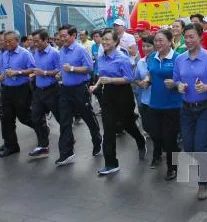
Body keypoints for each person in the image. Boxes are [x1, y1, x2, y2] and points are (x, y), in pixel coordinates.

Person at [90, 29, 146, 175]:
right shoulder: (101, 58)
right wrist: (95, 86)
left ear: (116, 42)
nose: (104, 42)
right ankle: (111, 163)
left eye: (108, 39)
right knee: (108, 128)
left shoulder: (122, 58)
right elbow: (102, 77)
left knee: (127, 124)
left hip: (123, 94)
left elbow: (129, 78)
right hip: (108, 94)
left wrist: (112, 80)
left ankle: (140, 141)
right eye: (103, 39)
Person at [173, 23, 207, 200]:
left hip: (206, 108)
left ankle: (203, 183)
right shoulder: (180, 59)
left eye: (192, 36)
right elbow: (176, 80)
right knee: (188, 146)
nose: (188, 40)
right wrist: (179, 86)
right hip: (186, 109)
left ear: (200, 37)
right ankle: (205, 162)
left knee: (200, 146)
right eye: (186, 36)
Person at [56, 24, 102, 166]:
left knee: (88, 117)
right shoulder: (61, 51)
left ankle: (97, 140)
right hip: (64, 90)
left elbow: (89, 69)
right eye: (60, 36)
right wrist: (59, 74)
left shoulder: (81, 50)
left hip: (79, 90)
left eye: (64, 36)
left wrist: (72, 69)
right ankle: (66, 153)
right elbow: (61, 68)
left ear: (73, 35)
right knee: (64, 121)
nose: (61, 39)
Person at [0, 30, 36, 158]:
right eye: (5, 41)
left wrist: (18, 72)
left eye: (10, 41)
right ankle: (11, 145)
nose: (7, 43)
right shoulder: (4, 54)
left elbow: (33, 69)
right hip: (7, 89)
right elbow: (5, 72)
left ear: (17, 40)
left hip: (21, 89)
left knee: (24, 117)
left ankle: (41, 128)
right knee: (6, 118)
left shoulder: (25, 54)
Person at [147, 29, 182, 180]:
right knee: (155, 134)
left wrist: (175, 83)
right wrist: (146, 81)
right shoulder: (152, 57)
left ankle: (172, 167)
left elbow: (184, 79)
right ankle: (172, 150)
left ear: (169, 41)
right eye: (156, 40)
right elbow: (151, 73)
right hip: (155, 103)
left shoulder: (178, 58)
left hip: (172, 105)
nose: (158, 43)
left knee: (169, 138)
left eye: (161, 40)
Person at [28, 29, 60, 158]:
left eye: (37, 41)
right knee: (35, 118)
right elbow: (36, 69)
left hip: (52, 90)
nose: (35, 44)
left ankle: (69, 139)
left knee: (60, 118)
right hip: (38, 91)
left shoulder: (54, 53)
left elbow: (59, 71)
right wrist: (33, 74)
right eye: (33, 41)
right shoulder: (35, 53)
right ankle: (43, 146)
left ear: (46, 40)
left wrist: (44, 73)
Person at [134, 35, 155, 136]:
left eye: (148, 46)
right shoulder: (140, 62)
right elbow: (136, 78)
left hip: (159, 99)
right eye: (143, 46)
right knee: (147, 126)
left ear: (155, 46)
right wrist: (140, 83)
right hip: (145, 99)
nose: (145, 49)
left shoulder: (161, 60)